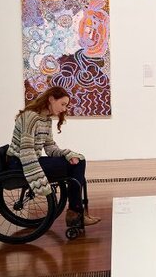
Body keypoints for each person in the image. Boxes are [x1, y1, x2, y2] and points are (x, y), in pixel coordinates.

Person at [7, 86, 100, 227]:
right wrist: (38, 180)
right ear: (51, 99)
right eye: (62, 104)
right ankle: (75, 214)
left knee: (78, 160)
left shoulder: (45, 120)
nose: (64, 109)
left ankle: (76, 213)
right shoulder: (30, 117)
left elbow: (50, 147)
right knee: (77, 166)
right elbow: (26, 151)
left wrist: (67, 154)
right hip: (19, 162)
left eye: (66, 106)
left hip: (31, 158)